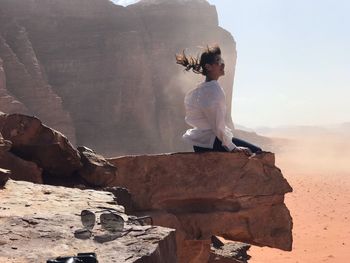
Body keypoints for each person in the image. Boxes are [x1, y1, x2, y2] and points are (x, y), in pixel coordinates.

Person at [176, 45, 262, 155]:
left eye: (222, 60)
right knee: (257, 152)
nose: (223, 64)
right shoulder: (213, 90)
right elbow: (217, 125)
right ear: (208, 67)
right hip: (211, 142)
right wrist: (232, 148)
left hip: (202, 142)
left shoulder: (200, 89)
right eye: (218, 61)